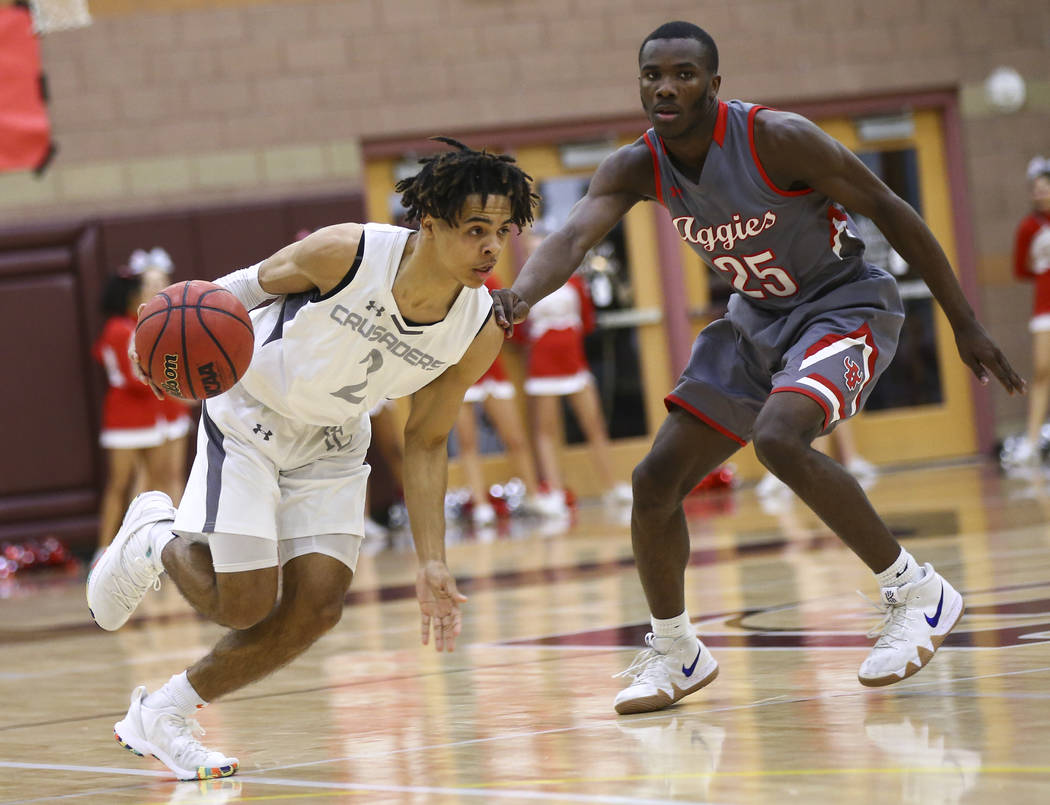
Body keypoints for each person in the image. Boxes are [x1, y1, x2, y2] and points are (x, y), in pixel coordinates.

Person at [492, 21, 1025, 714]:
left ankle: (916, 590)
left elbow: (890, 208)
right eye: (653, 74)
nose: (665, 87)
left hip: (842, 304)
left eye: (683, 74)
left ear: (715, 84)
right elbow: (569, 236)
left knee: (778, 436)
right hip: (755, 321)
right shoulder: (636, 164)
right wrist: (517, 297)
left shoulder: (777, 138)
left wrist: (965, 320)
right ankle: (677, 648)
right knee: (654, 481)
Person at [86, 137, 538, 779]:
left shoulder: (478, 325)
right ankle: (154, 536)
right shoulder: (348, 252)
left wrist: (432, 558)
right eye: (475, 230)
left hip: (333, 440)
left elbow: (427, 439)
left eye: (502, 231)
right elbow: (234, 292)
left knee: (317, 607)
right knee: (243, 603)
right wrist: (158, 344)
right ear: (431, 225)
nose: (493, 248)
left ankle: (162, 714)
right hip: (252, 416)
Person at [520, 231, 632, 510]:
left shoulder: (573, 280)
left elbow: (588, 321)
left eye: (542, 248)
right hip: (543, 367)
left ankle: (611, 485)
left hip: (574, 362)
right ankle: (555, 491)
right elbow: (519, 331)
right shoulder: (524, 287)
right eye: (532, 249)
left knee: (594, 424)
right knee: (545, 431)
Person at [92, 268, 185, 565]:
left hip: (150, 417)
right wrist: (176, 384)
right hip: (125, 419)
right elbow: (134, 377)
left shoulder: (132, 326)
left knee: (158, 485)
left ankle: (155, 549)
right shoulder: (120, 329)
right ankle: (103, 551)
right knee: (119, 485)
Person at [456, 275, 565, 525]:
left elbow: (509, 325)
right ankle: (481, 504)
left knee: (515, 437)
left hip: (493, 371)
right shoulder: (445, 281)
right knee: (467, 441)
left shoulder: (490, 280)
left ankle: (533, 495)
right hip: (460, 371)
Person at [1007, 157, 1050, 467]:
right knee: (1041, 370)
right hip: (1044, 308)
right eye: (1035, 189)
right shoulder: (1027, 227)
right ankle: (1032, 441)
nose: (1040, 193)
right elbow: (1021, 269)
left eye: (1045, 187)